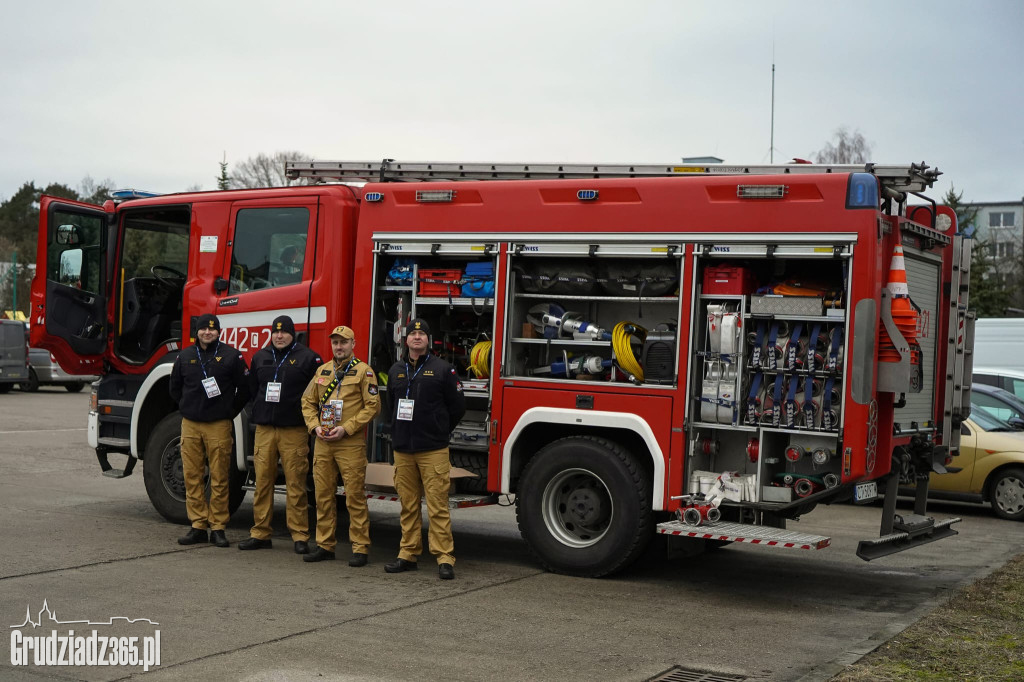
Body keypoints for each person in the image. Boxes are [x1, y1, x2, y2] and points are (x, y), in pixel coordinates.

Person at [384, 318, 465, 580]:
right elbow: (391, 405)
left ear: (428, 339)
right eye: (412, 334)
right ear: (405, 339)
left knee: (437, 506)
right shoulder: (396, 370)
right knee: (408, 505)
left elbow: (457, 407)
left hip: (433, 449)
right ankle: (407, 554)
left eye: (422, 334)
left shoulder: (443, 370)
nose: (417, 337)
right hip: (403, 449)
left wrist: (439, 430)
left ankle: (444, 557)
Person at [239, 315, 322, 554]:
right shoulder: (260, 356)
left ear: (292, 334)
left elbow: (318, 392)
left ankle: (299, 535)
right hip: (265, 430)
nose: (279, 336)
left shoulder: (309, 358)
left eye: (284, 332)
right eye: (275, 332)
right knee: (262, 482)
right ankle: (260, 533)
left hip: (294, 430)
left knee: (296, 484)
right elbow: (253, 389)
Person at [300, 325, 380, 565]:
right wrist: (314, 427)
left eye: (344, 342)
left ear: (353, 344)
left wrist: (347, 428)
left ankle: (360, 547)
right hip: (323, 441)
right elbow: (307, 401)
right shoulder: (322, 370)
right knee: (323, 496)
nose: (339, 346)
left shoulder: (364, 372)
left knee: (354, 497)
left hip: (349, 443)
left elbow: (373, 406)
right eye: (335, 342)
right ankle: (325, 545)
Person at [169, 313, 250, 548]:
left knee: (220, 477)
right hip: (191, 425)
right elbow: (174, 387)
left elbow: (245, 388)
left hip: (219, 425)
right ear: (197, 332)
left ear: (219, 332)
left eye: (212, 329)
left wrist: (229, 411)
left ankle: (218, 527)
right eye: (204, 329)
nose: (207, 332)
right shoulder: (185, 356)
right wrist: (186, 407)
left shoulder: (232, 356)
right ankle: (197, 525)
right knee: (192, 476)